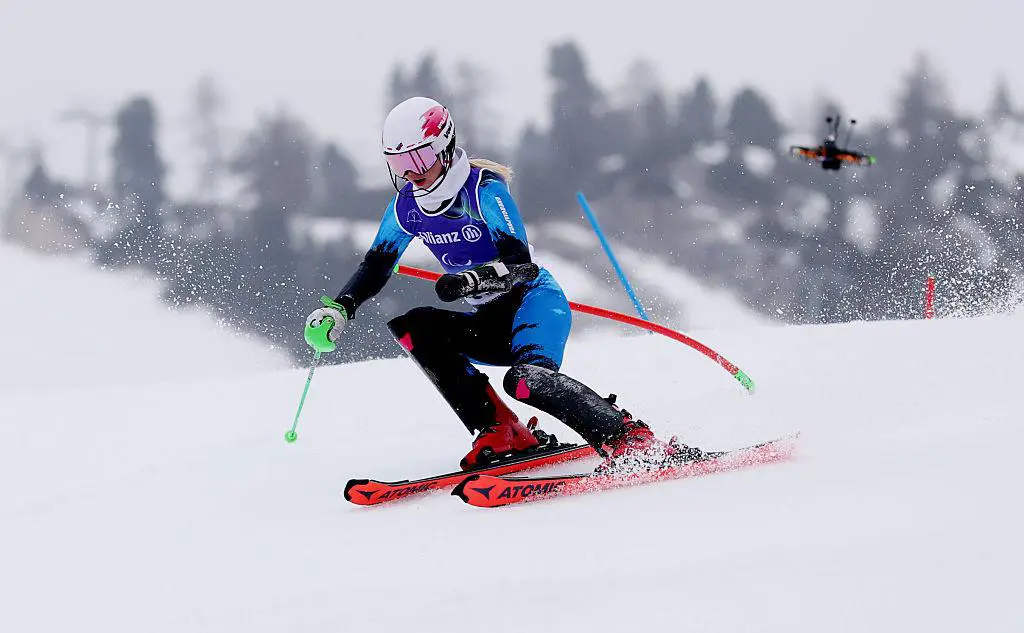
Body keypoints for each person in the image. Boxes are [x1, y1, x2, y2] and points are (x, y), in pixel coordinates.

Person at [304, 96, 681, 471]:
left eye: (418, 159)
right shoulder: (407, 206)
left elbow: (522, 267)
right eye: (399, 163)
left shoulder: (483, 191)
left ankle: (628, 438)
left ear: (445, 147)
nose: (411, 172)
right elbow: (377, 263)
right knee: (413, 327)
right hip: (490, 320)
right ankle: (501, 430)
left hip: (533, 306)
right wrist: (341, 308)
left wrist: (472, 279)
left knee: (525, 380)